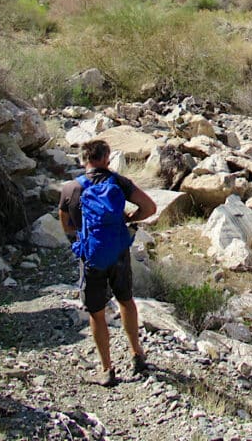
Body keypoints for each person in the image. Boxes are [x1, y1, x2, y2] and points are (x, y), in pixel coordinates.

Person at [59, 138, 157, 387]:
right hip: (119, 251)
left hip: (91, 255)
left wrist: (79, 238)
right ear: (106, 158)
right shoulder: (118, 182)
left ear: (84, 160)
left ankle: (106, 368)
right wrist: (129, 220)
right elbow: (150, 207)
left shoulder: (71, 188)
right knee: (126, 300)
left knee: (97, 312)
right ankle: (137, 353)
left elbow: (66, 224)